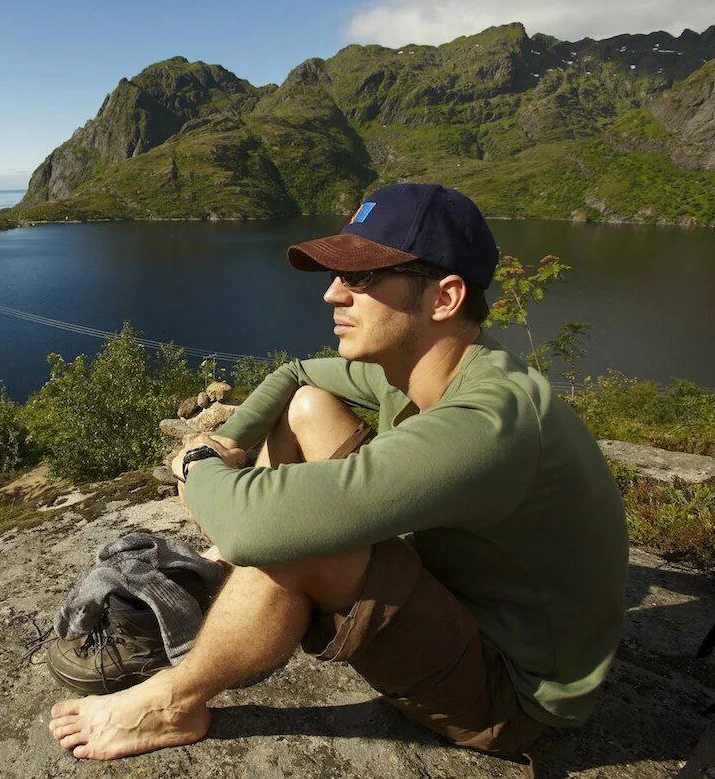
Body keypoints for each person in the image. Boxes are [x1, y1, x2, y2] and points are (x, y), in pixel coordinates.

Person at [47, 183, 629, 762]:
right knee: (305, 407)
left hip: (509, 695)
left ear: (444, 297)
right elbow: (297, 374)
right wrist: (231, 439)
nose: (331, 295)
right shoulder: (431, 365)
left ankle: (172, 702)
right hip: (460, 595)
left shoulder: (486, 420)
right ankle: (242, 577)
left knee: (296, 538)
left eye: (361, 278)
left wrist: (196, 462)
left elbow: (263, 528)